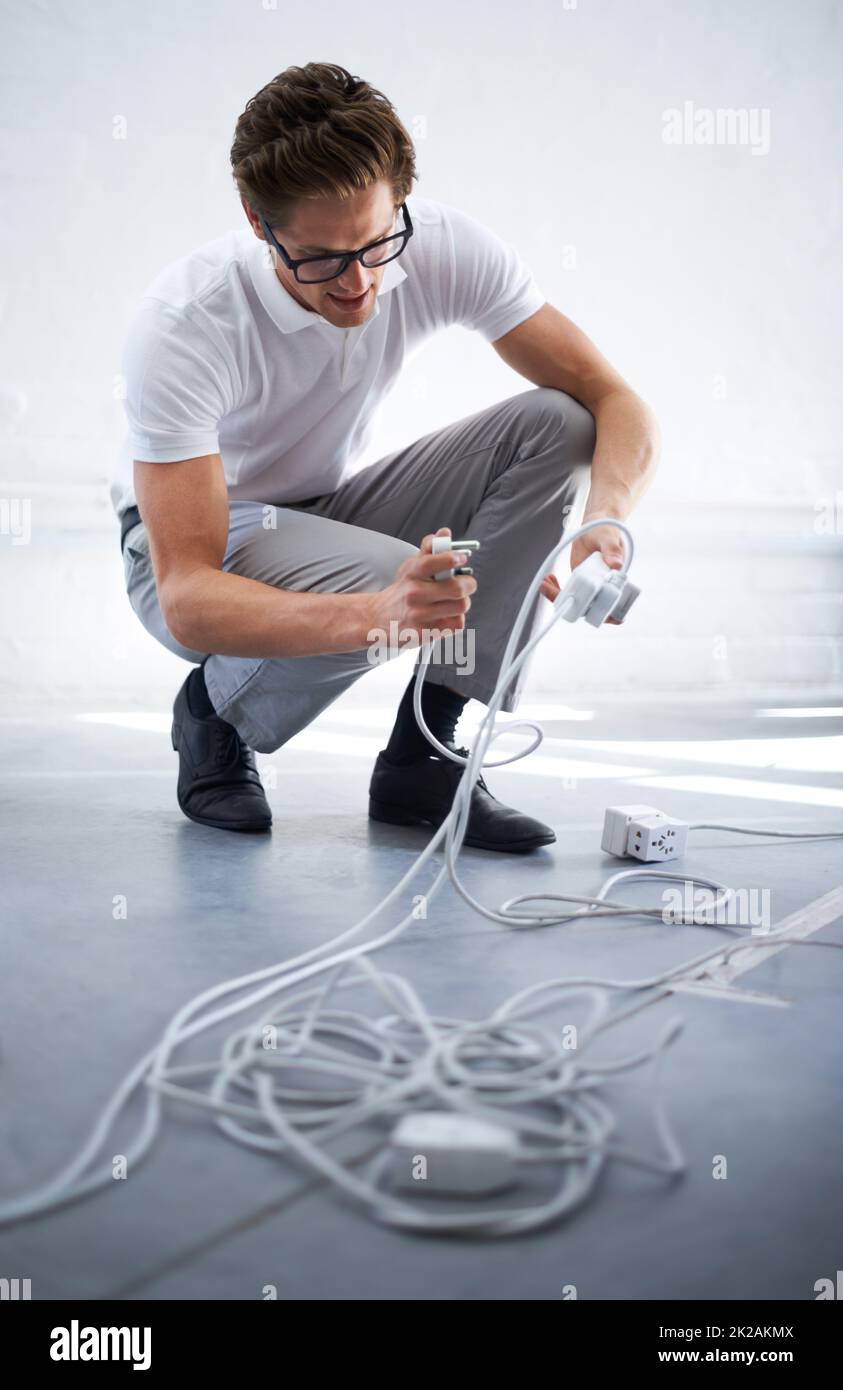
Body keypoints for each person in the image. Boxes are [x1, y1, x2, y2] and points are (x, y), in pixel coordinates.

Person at [113, 61, 659, 852]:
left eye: (375, 243)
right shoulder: (185, 324)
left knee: (559, 423)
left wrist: (604, 523)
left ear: (401, 199)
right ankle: (213, 712)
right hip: (182, 546)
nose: (358, 283)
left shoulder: (436, 246)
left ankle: (424, 758)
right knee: (397, 579)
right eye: (321, 259)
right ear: (259, 223)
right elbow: (187, 594)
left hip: (324, 509)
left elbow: (613, 399)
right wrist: (380, 617)